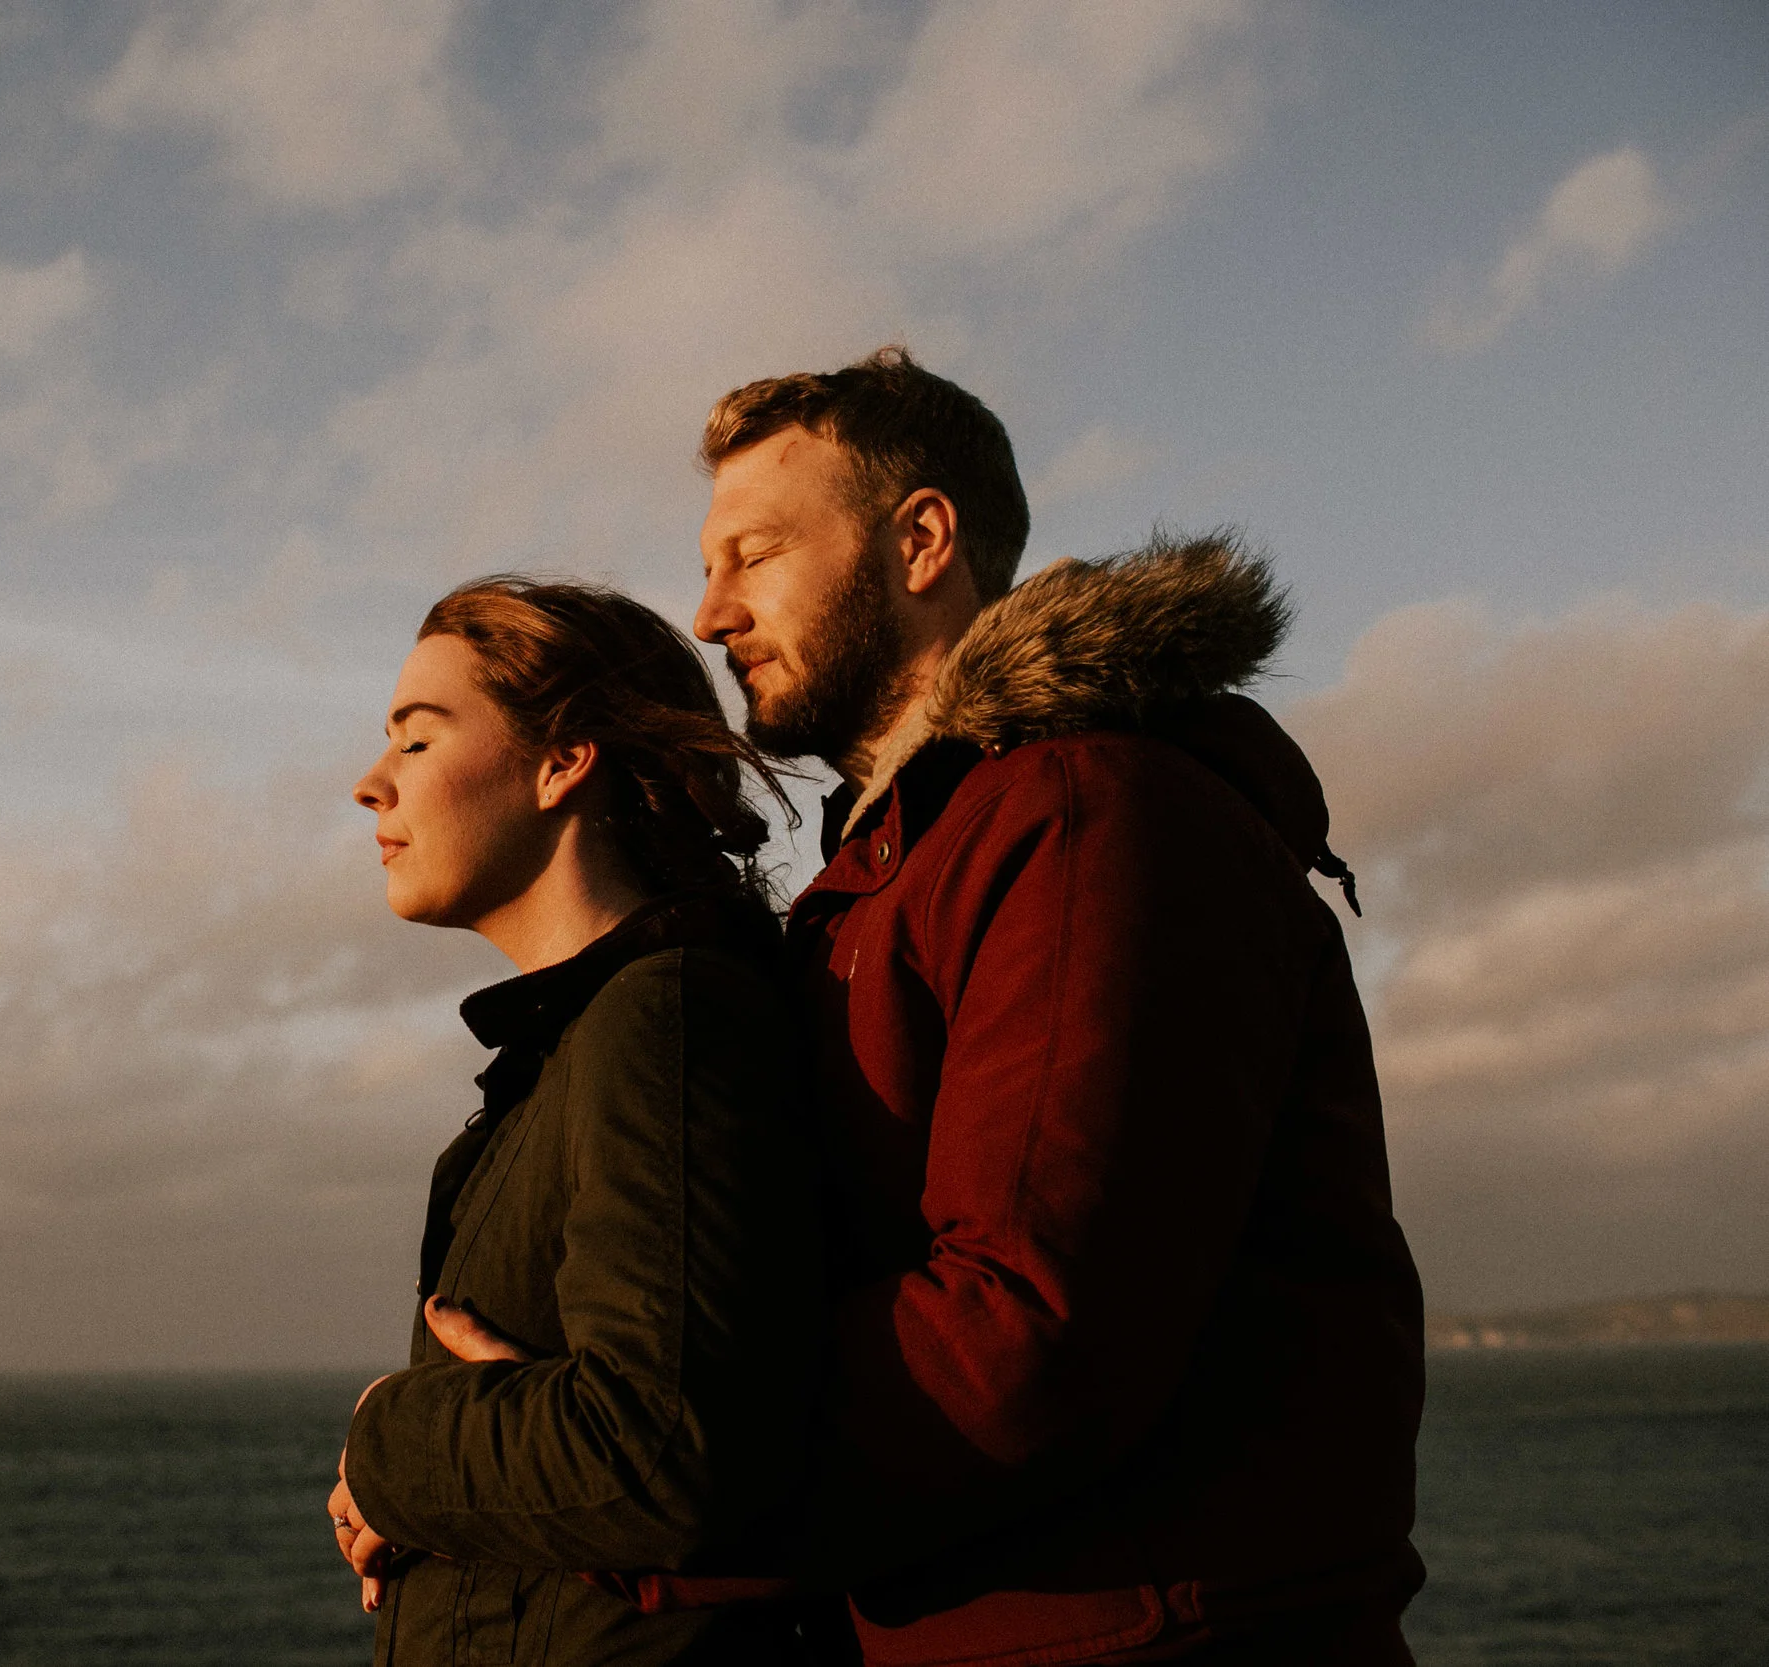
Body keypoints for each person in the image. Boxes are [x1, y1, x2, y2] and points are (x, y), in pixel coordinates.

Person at [680, 348, 1429, 1666]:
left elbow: (1020, 1338)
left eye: (753, 552)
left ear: (921, 540)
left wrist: (612, 1493)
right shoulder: (896, 865)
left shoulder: (1082, 810)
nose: (709, 611)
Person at [329, 577, 832, 1666]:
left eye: (416, 742)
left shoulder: (668, 1016)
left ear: (563, 760)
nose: (370, 784)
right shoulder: (571, 1049)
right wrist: (443, 1484)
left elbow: (656, 1446)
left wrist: (390, 1442)